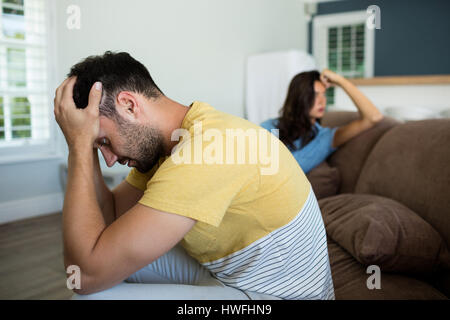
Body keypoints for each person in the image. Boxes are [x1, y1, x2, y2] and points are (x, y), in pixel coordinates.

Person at [54, 51, 335, 300]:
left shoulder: (208, 148)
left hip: (269, 295)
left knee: (91, 298)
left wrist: (78, 147)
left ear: (129, 105)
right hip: (230, 275)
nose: (110, 160)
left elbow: (83, 277)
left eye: (103, 141)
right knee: (111, 265)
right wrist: (84, 144)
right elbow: (111, 216)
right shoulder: (173, 141)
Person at [261, 69, 384, 174]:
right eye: (314, 95)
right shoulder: (270, 127)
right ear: (299, 98)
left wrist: (340, 81)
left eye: (323, 94)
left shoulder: (325, 138)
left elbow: (374, 117)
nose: (322, 101)